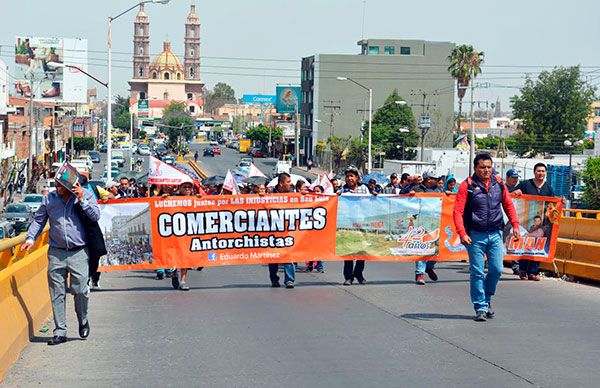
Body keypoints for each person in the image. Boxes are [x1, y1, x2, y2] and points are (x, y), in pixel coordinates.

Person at [21, 178, 101, 344]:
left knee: (79, 290)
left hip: (79, 251)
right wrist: (30, 239)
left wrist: (82, 200)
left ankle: (83, 319)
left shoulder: (84, 195)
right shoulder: (49, 199)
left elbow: (95, 216)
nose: (57, 188)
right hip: (56, 252)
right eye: (56, 185)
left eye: (60, 186)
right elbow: (38, 220)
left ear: (70, 184)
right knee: (57, 292)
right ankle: (60, 331)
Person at [453, 153, 520, 321]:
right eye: (482, 167)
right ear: (475, 168)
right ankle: (480, 307)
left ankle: (487, 298)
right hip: (475, 235)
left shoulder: (499, 184)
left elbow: (508, 205)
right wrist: (462, 233)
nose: (486, 170)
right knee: (477, 272)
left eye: (489, 167)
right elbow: (457, 211)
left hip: (496, 234)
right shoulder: (467, 186)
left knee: (497, 270)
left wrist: (516, 225)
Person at [513, 163, 555, 281]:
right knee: (527, 244)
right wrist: (517, 193)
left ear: (545, 173)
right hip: (526, 220)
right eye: (538, 171)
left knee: (539, 247)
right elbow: (515, 193)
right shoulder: (526, 184)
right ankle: (523, 270)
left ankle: (533, 272)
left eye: (543, 171)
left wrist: (561, 202)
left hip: (542, 223)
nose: (540, 173)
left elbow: (552, 204)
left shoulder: (548, 188)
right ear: (534, 172)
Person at [337, 166, 370, 285]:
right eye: (347, 176)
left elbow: (371, 203)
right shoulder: (342, 190)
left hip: (362, 223)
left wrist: (374, 196)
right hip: (347, 225)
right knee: (348, 251)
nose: (349, 178)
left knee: (362, 251)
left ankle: (358, 273)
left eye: (352, 176)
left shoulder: (364, 189)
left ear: (357, 178)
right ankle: (348, 277)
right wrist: (337, 196)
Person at [411, 171, 441, 284]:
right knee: (422, 248)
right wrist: (410, 193)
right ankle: (420, 273)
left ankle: (429, 266)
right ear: (428, 179)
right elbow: (404, 195)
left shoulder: (438, 190)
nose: (437, 181)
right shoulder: (418, 189)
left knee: (438, 248)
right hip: (422, 223)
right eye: (435, 179)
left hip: (437, 222)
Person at [268, 173, 296, 288]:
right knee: (273, 257)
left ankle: (289, 280)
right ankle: (274, 278)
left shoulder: (294, 195)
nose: (291, 184)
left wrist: (304, 197)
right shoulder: (269, 195)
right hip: (272, 232)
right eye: (288, 182)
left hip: (288, 231)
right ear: (281, 183)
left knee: (289, 255)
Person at [168, 181, 196, 291]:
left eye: (189, 187)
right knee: (175, 256)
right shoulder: (172, 198)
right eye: (185, 187)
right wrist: (164, 198)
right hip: (174, 232)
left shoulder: (195, 199)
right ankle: (174, 274)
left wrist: (200, 199)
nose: (187, 189)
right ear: (180, 188)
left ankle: (183, 281)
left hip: (188, 233)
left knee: (185, 257)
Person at [504, 169, 521, 274]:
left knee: (515, 241)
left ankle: (516, 265)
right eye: (512, 178)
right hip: (501, 219)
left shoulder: (519, 189)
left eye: (516, 178)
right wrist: (511, 194)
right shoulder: (502, 187)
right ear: (507, 178)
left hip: (514, 221)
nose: (515, 180)